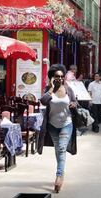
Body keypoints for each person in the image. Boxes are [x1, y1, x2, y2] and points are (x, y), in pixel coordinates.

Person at [37, 64, 78, 193]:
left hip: (67, 124)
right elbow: (43, 101)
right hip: (52, 126)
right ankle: (61, 170)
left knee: (61, 148)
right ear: (52, 77)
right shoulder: (49, 90)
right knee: (58, 149)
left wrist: (74, 103)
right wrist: (51, 88)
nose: (60, 78)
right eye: (57, 76)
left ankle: (59, 175)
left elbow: (75, 101)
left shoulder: (68, 89)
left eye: (61, 76)